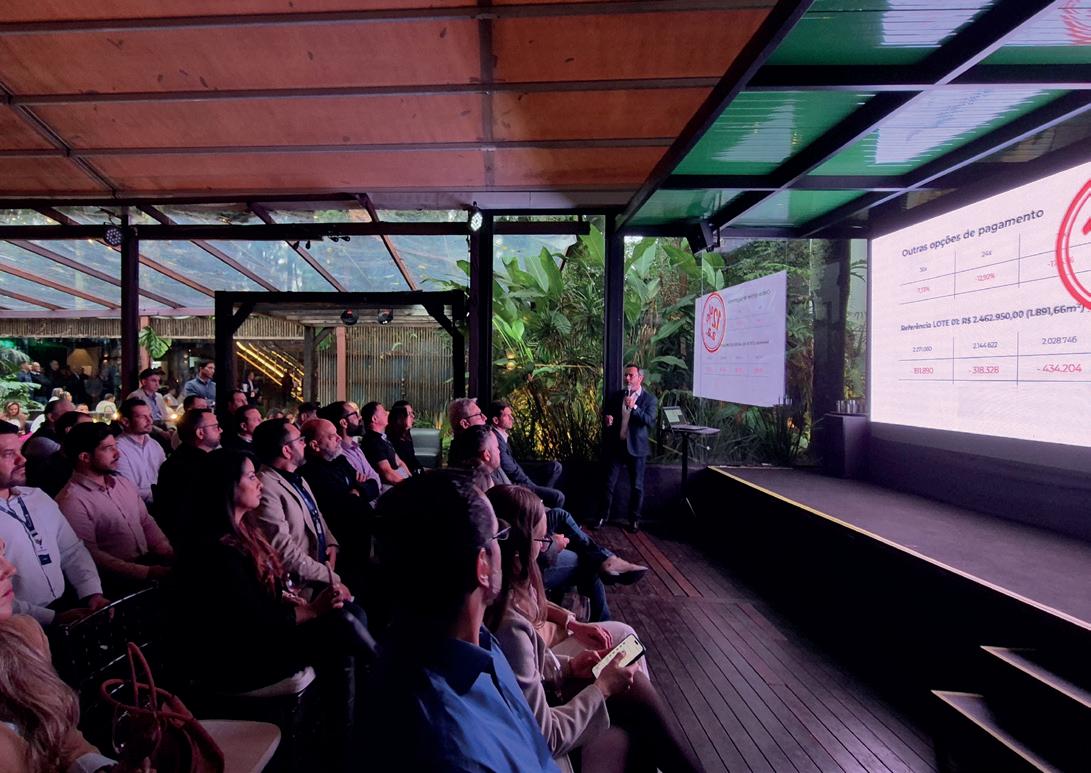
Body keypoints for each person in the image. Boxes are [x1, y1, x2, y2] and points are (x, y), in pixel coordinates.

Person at [170, 449, 374, 771]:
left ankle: (349, 727)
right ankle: (344, 741)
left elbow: (260, 597)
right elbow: (250, 622)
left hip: (260, 638)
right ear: (227, 486)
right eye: (251, 477)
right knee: (340, 626)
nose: (259, 483)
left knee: (344, 618)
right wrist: (313, 610)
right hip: (236, 658)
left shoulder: (242, 531)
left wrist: (290, 599)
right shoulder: (214, 550)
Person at [485, 485, 702, 773]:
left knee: (634, 692)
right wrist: (602, 688)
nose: (546, 544)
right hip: (545, 731)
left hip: (547, 689)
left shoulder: (505, 604)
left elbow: (524, 667)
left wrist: (569, 666)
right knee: (637, 704)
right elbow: (544, 735)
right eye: (542, 539)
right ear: (517, 553)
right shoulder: (509, 626)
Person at [363, 470, 561, 771]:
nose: (504, 546)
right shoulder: (456, 750)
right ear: (482, 566)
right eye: (499, 536)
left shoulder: (478, 642)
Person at [0, 536, 116, 773]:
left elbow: (63, 739)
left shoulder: (25, 635)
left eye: (1, 552)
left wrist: (103, 769)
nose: (10, 569)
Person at [0, 423, 109, 627]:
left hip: (67, 604)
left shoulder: (37, 497)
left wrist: (91, 592)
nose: (22, 460)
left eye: (20, 451)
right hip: (20, 625)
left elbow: (72, 550)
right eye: (8, 454)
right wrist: (51, 618)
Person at [56, 423, 173, 594]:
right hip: (116, 583)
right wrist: (144, 572)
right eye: (108, 449)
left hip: (149, 565)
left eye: (115, 446)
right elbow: (89, 554)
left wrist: (165, 548)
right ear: (85, 457)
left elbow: (145, 521)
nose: (118, 454)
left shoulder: (121, 483)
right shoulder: (72, 500)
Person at [252, 418, 342, 587]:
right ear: (287, 450)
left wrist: (331, 542)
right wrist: (332, 577)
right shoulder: (265, 487)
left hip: (319, 571)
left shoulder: (297, 477)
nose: (305, 444)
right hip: (299, 586)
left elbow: (316, 515)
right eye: (300, 440)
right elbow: (284, 552)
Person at [598, 364, 657, 533]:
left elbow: (649, 421)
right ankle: (602, 517)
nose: (627, 378)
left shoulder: (649, 399)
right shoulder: (619, 395)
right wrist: (608, 418)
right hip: (617, 446)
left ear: (640, 378)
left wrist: (634, 408)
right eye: (626, 375)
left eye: (631, 375)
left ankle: (634, 520)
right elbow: (608, 412)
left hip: (637, 449)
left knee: (637, 486)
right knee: (608, 483)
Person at [155, 408, 221, 552]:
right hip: (199, 546)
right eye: (215, 427)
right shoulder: (200, 467)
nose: (220, 430)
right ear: (200, 433)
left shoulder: (179, 459)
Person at [488, 400, 565, 508]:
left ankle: (540, 501)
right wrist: (529, 483)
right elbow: (508, 467)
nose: (512, 418)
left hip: (519, 471)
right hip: (515, 482)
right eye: (507, 416)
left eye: (511, 415)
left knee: (555, 467)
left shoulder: (502, 435)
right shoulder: (495, 438)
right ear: (495, 420)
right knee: (558, 497)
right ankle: (543, 509)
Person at [317, 401, 382, 491]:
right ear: (344, 423)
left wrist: (370, 484)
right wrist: (369, 485)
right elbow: (362, 485)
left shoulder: (355, 447)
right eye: (355, 414)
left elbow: (375, 478)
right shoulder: (339, 454)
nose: (360, 417)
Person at [114, 397, 166, 505]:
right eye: (143, 417)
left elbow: (168, 474)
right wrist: (165, 495)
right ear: (125, 422)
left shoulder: (154, 444)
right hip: (136, 507)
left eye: (150, 416)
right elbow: (129, 490)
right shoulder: (118, 449)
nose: (150, 421)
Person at [25, 411, 90, 498]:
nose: (94, 431)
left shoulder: (79, 461)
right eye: (87, 427)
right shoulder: (53, 469)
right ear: (69, 430)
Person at [360, 401, 411, 488]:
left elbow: (399, 462)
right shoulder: (373, 442)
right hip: (392, 486)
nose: (387, 413)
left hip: (402, 480)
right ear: (374, 419)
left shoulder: (382, 437)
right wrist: (410, 486)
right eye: (383, 412)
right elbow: (388, 473)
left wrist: (412, 479)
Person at [20, 398, 74, 465]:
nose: (73, 417)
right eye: (68, 414)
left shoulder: (59, 436)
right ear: (51, 417)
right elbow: (75, 459)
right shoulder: (42, 442)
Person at [387, 400, 423, 474]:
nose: (413, 416)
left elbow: (412, 458)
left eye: (412, 413)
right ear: (400, 416)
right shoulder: (390, 437)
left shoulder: (406, 433)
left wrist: (421, 471)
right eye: (409, 413)